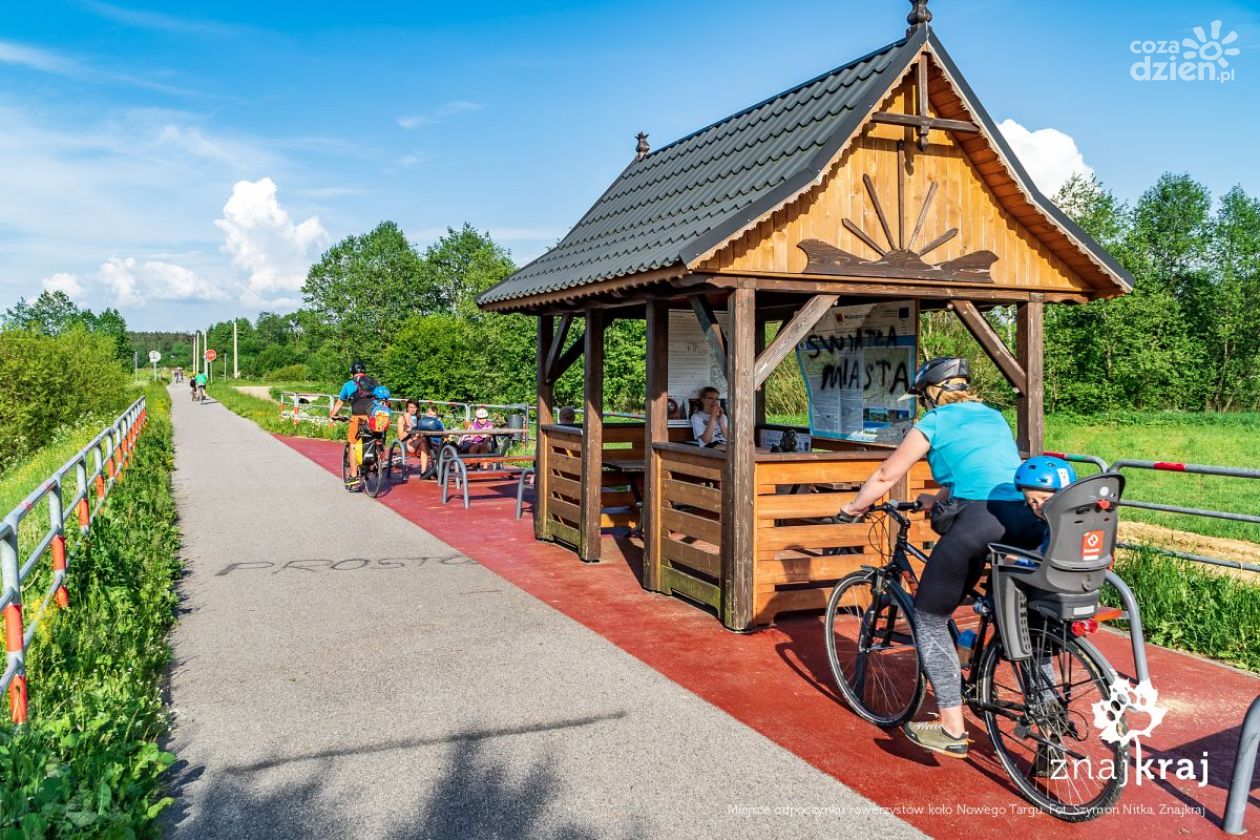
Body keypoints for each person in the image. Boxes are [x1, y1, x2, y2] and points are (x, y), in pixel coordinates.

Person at [837, 357, 1045, 759]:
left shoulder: (933, 423)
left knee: (929, 618)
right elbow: (981, 472)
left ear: (931, 394)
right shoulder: (992, 417)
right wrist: (936, 498)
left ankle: (951, 727)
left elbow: (885, 475)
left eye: (922, 397)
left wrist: (854, 507)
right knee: (1029, 623)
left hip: (980, 522)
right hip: (1024, 518)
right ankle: (1047, 718)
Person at [329, 361, 378, 488]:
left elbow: (340, 402)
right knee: (375, 439)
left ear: (352, 372)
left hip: (358, 417)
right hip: (375, 417)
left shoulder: (349, 385)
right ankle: (379, 460)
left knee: (353, 444)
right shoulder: (374, 382)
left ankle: (353, 476)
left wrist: (333, 415)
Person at [410, 404, 446, 478]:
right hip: (429, 444)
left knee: (425, 443)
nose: (431, 417)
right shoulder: (423, 422)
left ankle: (432, 471)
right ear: (426, 414)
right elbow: (416, 433)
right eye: (430, 414)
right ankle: (425, 471)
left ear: (436, 416)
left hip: (436, 444)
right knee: (423, 442)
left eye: (433, 415)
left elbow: (444, 433)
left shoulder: (435, 422)